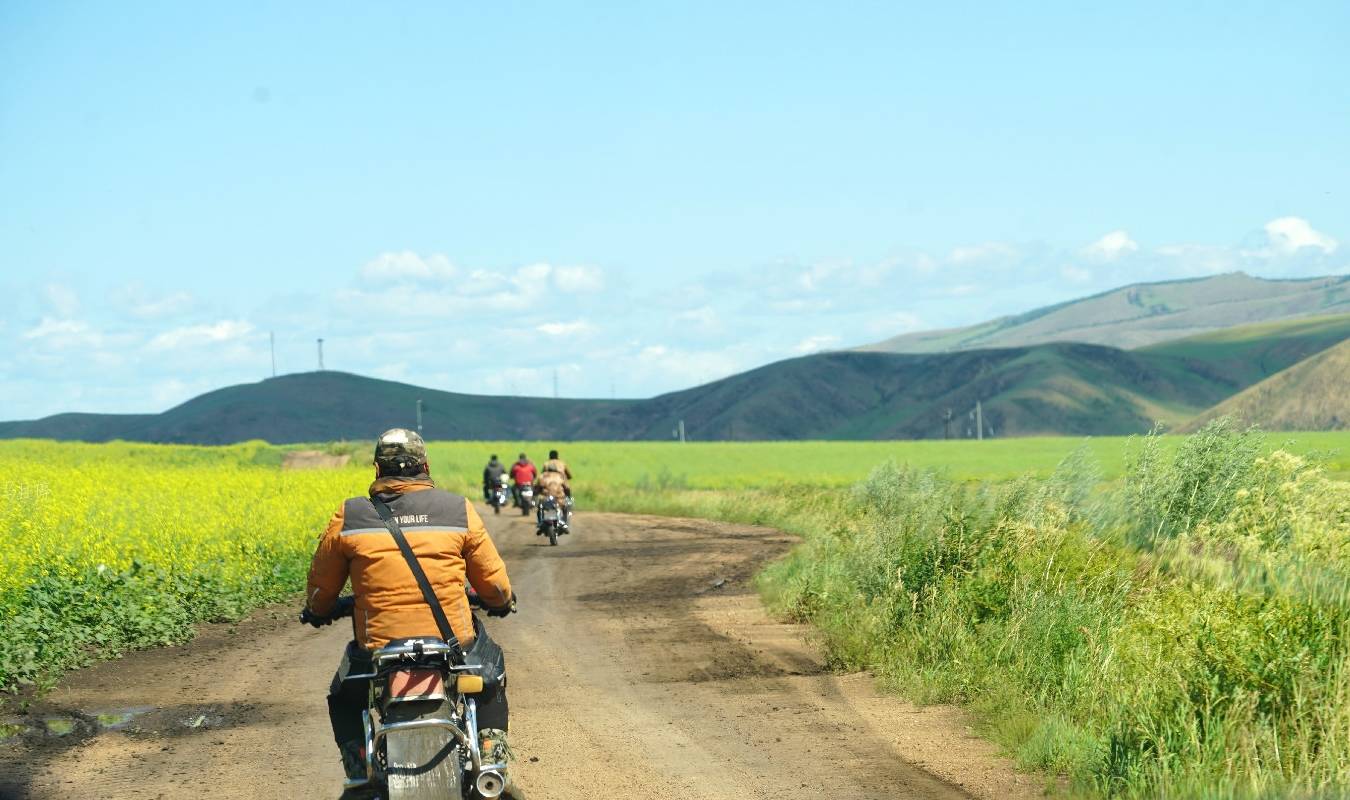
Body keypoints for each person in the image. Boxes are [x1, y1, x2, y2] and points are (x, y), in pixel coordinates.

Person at [302, 428, 518, 799]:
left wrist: (319, 611)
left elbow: (322, 590)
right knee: (490, 676)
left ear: (376, 469)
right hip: (452, 644)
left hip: (378, 649)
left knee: (344, 695)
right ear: (425, 465)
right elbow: (495, 585)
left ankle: (358, 772)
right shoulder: (457, 509)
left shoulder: (350, 515)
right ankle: (491, 763)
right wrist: (500, 602)